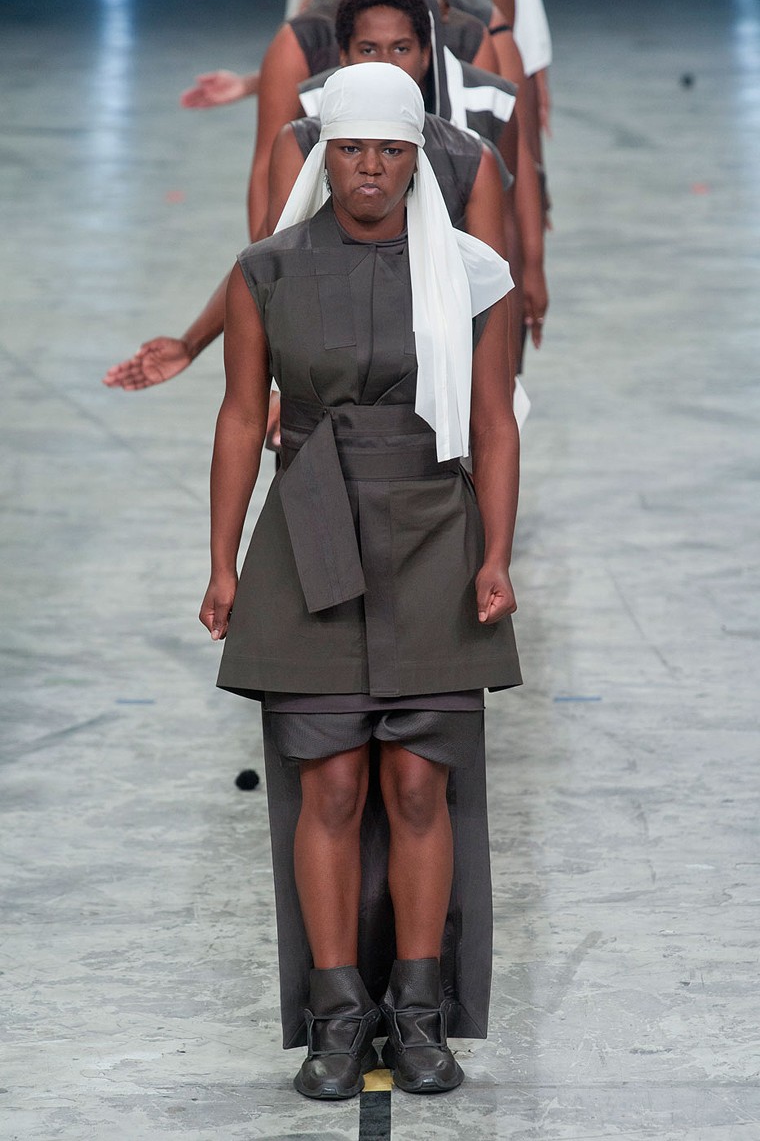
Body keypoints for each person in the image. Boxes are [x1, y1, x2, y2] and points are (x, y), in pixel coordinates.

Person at [199, 62, 521, 1099]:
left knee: (421, 781)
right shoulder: (266, 270)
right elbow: (241, 417)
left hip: (433, 529)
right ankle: (336, 1022)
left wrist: (496, 554)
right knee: (329, 782)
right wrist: (221, 559)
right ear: (324, 155)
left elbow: (493, 424)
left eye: (390, 148)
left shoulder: (472, 273)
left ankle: (417, 1015)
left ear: (417, 156)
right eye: (351, 149)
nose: (370, 167)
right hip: (309, 532)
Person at [103, 0, 544, 394]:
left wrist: (531, 278)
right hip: (331, 357)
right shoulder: (306, 118)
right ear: (343, 56)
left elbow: (494, 258)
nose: (386, 65)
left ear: (427, 53)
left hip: (441, 358)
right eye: (368, 49)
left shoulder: (474, 123)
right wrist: (215, 354)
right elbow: (271, 256)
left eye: (401, 48)